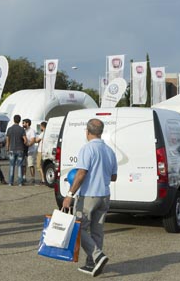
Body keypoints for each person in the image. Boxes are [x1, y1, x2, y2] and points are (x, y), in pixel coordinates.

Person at [62, 119, 117, 277]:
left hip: (88, 196)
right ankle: (92, 264)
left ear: (87, 131)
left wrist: (69, 195)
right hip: (104, 195)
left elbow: (81, 174)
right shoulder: (109, 151)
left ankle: (97, 255)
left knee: (78, 228)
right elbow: (113, 176)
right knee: (97, 231)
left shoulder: (87, 149)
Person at [5, 115, 27, 186]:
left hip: (11, 149)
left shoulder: (9, 129)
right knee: (20, 166)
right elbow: (25, 140)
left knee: (11, 166)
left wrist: (7, 148)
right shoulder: (21, 129)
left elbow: (7, 140)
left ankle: (10, 182)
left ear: (14, 120)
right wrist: (24, 144)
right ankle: (20, 182)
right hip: (20, 149)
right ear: (19, 120)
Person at [22, 119, 36, 184]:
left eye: (24, 123)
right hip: (24, 150)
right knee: (24, 164)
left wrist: (28, 145)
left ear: (27, 123)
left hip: (31, 150)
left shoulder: (32, 131)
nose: (23, 124)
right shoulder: (24, 130)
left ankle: (33, 178)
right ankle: (24, 177)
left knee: (31, 165)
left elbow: (33, 140)